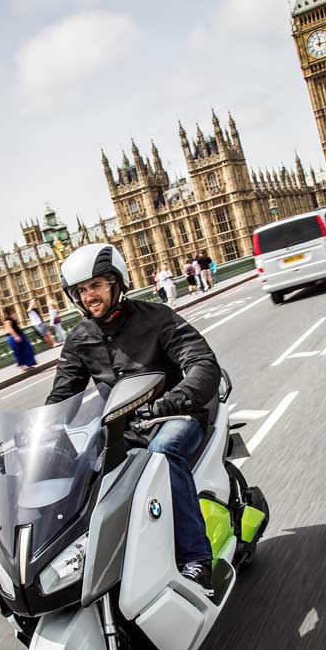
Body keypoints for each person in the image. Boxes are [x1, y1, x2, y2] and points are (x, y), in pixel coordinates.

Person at [46, 242, 220, 593]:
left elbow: (202, 362)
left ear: (117, 282)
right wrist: (44, 435)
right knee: (80, 470)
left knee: (162, 452)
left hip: (173, 416)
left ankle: (196, 560)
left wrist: (171, 401)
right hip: (122, 429)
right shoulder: (80, 339)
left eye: (95, 285)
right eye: (81, 290)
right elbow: (62, 397)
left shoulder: (156, 318)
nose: (88, 295)